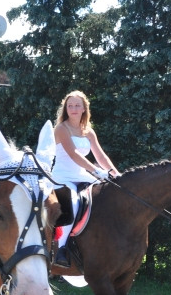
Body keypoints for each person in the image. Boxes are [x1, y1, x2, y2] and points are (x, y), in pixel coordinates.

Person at [50, 90, 121, 267]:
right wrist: (96, 172)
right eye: (70, 105)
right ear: (66, 108)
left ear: (84, 109)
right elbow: (73, 154)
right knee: (73, 203)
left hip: (83, 175)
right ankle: (62, 249)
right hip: (63, 176)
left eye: (77, 105)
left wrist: (116, 174)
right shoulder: (61, 129)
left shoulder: (88, 131)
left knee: (107, 196)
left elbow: (101, 157)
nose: (73, 108)